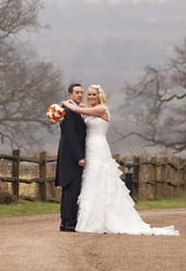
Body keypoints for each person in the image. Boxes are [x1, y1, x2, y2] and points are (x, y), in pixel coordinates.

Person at [63, 85, 179, 236]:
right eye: (89, 94)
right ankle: (92, 219)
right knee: (92, 181)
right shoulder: (93, 109)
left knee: (102, 178)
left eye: (93, 94)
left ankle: (106, 220)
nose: (90, 97)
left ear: (99, 96)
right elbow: (80, 106)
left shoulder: (101, 109)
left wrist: (64, 104)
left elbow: (79, 110)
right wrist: (70, 104)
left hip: (98, 148)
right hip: (89, 148)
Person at [55, 83, 87, 232]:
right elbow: (70, 136)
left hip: (71, 156)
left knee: (71, 191)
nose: (80, 95)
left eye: (81, 92)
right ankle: (68, 222)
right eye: (76, 92)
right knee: (71, 190)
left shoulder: (74, 109)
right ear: (70, 95)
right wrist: (79, 157)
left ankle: (67, 221)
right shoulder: (68, 111)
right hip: (71, 157)